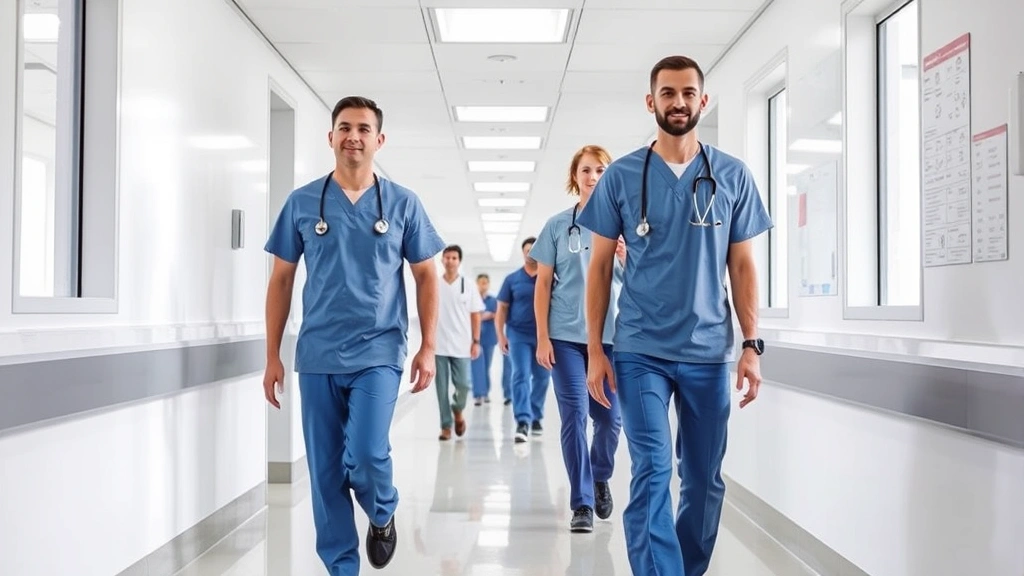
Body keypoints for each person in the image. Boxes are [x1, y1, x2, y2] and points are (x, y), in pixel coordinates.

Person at [578, 55, 773, 576]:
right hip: (641, 348)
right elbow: (598, 269)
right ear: (652, 102)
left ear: (702, 101)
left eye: (688, 93)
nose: (679, 102)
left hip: (709, 350)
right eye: (668, 93)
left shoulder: (731, 175)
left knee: (704, 479)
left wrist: (751, 345)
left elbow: (743, 264)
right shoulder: (620, 176)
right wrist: (596, 349)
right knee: (652, 470)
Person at [262, 96, 446, 575]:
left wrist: (428, 346)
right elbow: (281, 280)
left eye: (364, 129)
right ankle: (342, 568)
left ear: (379, 140)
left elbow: (427, 276)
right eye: (344, 127)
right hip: (318, 353)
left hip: (379, 351)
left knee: (365, 454)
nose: (353, 136)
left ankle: (381, 510)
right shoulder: (302, 202)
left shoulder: (403, 203)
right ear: (330, 137)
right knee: (324, 473)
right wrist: (272, 355)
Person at [529, 144, 626, 533]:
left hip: (610, 340)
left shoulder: (624, 226)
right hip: (566, 339)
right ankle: (581, 502)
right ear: (576, 177)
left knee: (610, 420)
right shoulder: (556, 226)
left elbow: (638, 283)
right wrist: (541, 337)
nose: (593, 177)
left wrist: (625, 259)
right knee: (573, 417)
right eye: (586, 170)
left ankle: (600, 475)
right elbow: (543, 287)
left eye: (601, 170)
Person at [495, 237, 552, 443]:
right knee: (520, 375)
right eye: (527, 250)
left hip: (544, 335)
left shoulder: (549, 277)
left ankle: (536, 415)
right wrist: (501, 335)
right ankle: (523, 420)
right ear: (522, 253)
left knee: (543, 378)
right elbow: (501, 309)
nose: (530, 254)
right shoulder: (512, 279)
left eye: (534, 250)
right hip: (518, 334)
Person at [434, 244, 484, 440]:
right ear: (442, 260)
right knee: (441, 388)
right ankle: (446, 426)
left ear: (459, 261)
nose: (450, 261)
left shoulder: (468, 284)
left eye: (454, 258)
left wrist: (476, 341)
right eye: (447, 257)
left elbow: (476, 315)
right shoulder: (435, 284)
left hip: (462, 344)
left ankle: (457, 409)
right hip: (439, 345)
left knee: (463, 385)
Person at [470, 273, 499, 406]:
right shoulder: (472, 299)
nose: (483, 285)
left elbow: (495, 314)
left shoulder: (493, 300)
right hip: (475, 338)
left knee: (486, 366)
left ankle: (486, 393)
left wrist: (480, 316)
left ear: (488, 284)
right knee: (476, 366)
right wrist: (483, 315)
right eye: (481, 282)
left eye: (485, 282)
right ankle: (478, 395)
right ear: (477, 283)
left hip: (489, 338)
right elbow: (473, 315)